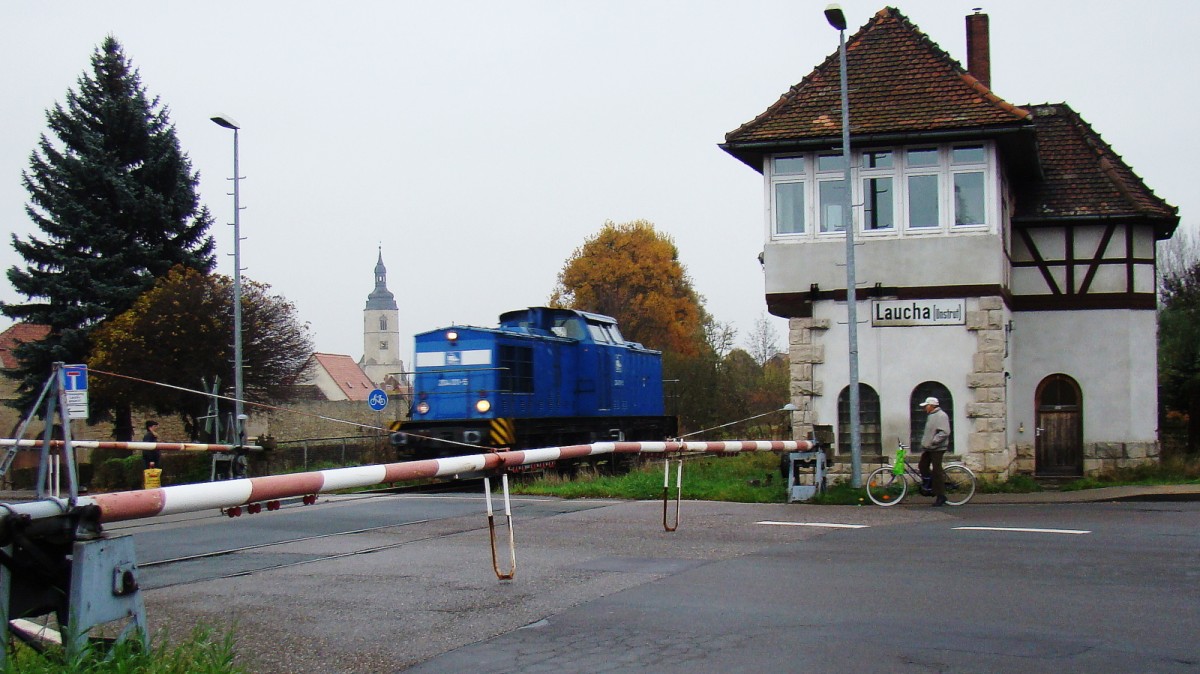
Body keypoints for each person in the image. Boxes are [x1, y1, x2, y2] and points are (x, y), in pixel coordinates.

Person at [918, 397, 951, 506]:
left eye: (926, 406)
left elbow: (945, 432)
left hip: (937, 448)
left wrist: (933, 442)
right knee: (922, 466)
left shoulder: (941, 415)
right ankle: (930, 486)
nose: (925, 408)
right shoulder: (931, 416)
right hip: (929, 448)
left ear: (932, 406)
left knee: (937, 471)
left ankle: (941, 495)